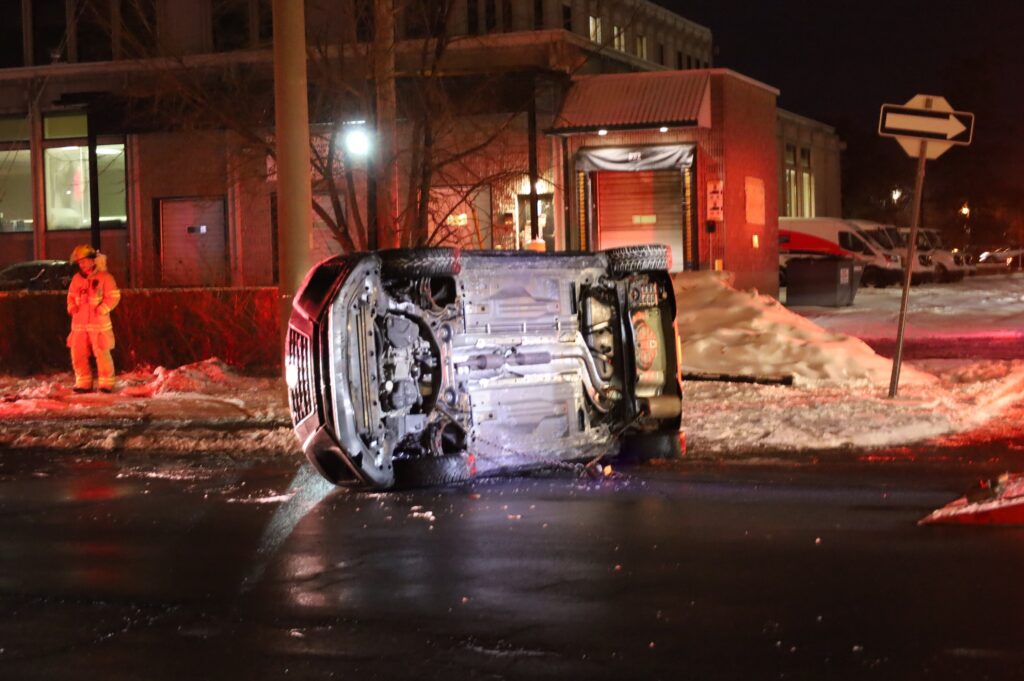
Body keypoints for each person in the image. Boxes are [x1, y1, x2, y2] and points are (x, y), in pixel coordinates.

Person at [66, 244, 121, 393]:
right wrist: (71, 307)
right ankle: (83, 383)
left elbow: (114, 297)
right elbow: (70, 296)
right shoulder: (77, 279)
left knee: (102, 354)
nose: (81, 265)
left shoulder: (105, 278)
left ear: (92, 261)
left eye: (84, 261)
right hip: (79, 325)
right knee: (78, 354)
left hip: (99, 325)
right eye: (79, 262)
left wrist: (103, 309)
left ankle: (106, 384)